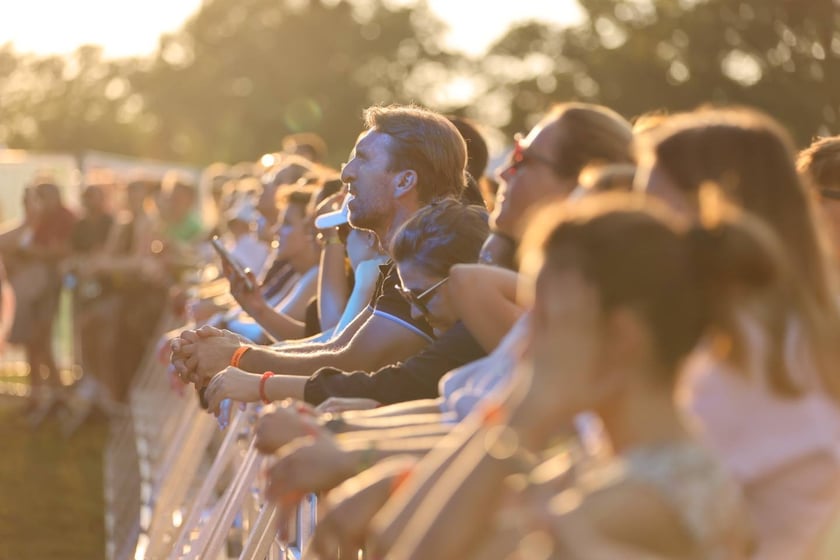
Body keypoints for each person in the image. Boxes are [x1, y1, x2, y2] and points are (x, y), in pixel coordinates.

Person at [366, 193, 755, 560]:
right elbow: (390, 537)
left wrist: (523, 412)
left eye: (546, 319)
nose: (521, 343)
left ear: (621, 337)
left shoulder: (645, 499)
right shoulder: (601, 462)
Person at [635, 108, 840, 559]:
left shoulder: (748, 353)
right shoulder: (754, 332)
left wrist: (531, 409)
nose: (633, 233)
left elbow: (607, 504)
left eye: (651, 211)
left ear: (713, 214)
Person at [172, 105, 468, 384]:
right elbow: (336, 342)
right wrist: (237, 347)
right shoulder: (405, 257)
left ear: (404, 182)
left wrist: (238, 357)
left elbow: (351, 360)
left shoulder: (433, 253)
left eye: (363, 159)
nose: (346, 173)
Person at [203, 198, 489, 411]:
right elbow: (333, 344)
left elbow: (350, 359)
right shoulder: (411, 272)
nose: (416, 312)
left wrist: (248, 364)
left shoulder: (470, 329)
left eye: (341, 232)